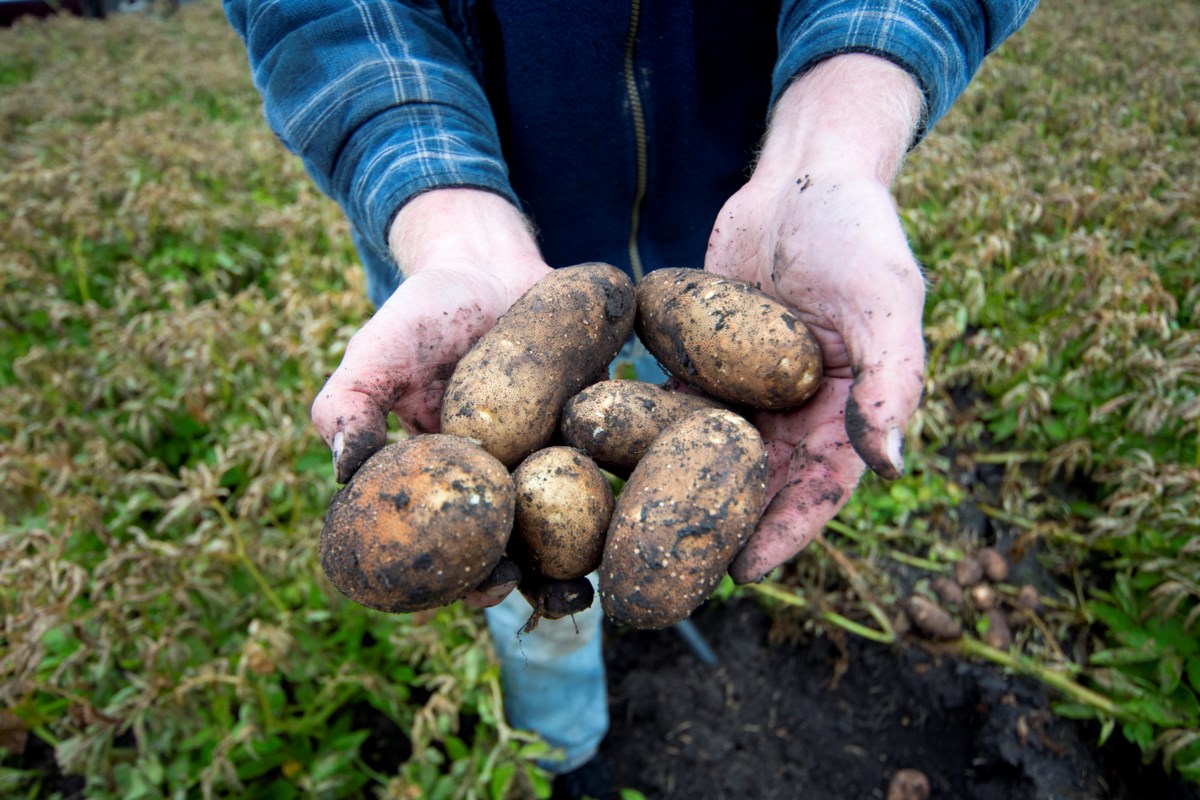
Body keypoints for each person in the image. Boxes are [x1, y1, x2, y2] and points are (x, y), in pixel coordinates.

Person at [225, 1, 1038, 795]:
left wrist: (831, 142)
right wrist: (447, 217)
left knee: (663, 481)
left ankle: (611, 654)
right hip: (477, 290)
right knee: (533, 565)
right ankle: (565, 748)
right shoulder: (481, 419)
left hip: (745, 247)